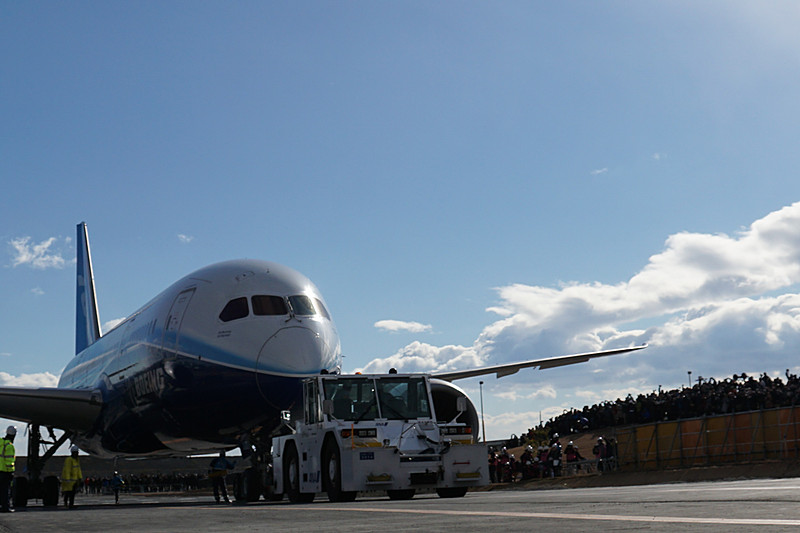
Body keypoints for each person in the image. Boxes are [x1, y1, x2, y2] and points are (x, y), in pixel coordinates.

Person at [0, 426, 16, 513]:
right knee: (5, 490)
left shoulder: (0, 443)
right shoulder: (9, 446)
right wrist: (11, 472)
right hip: (5, 471)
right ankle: (5, 507)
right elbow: (9, 461)